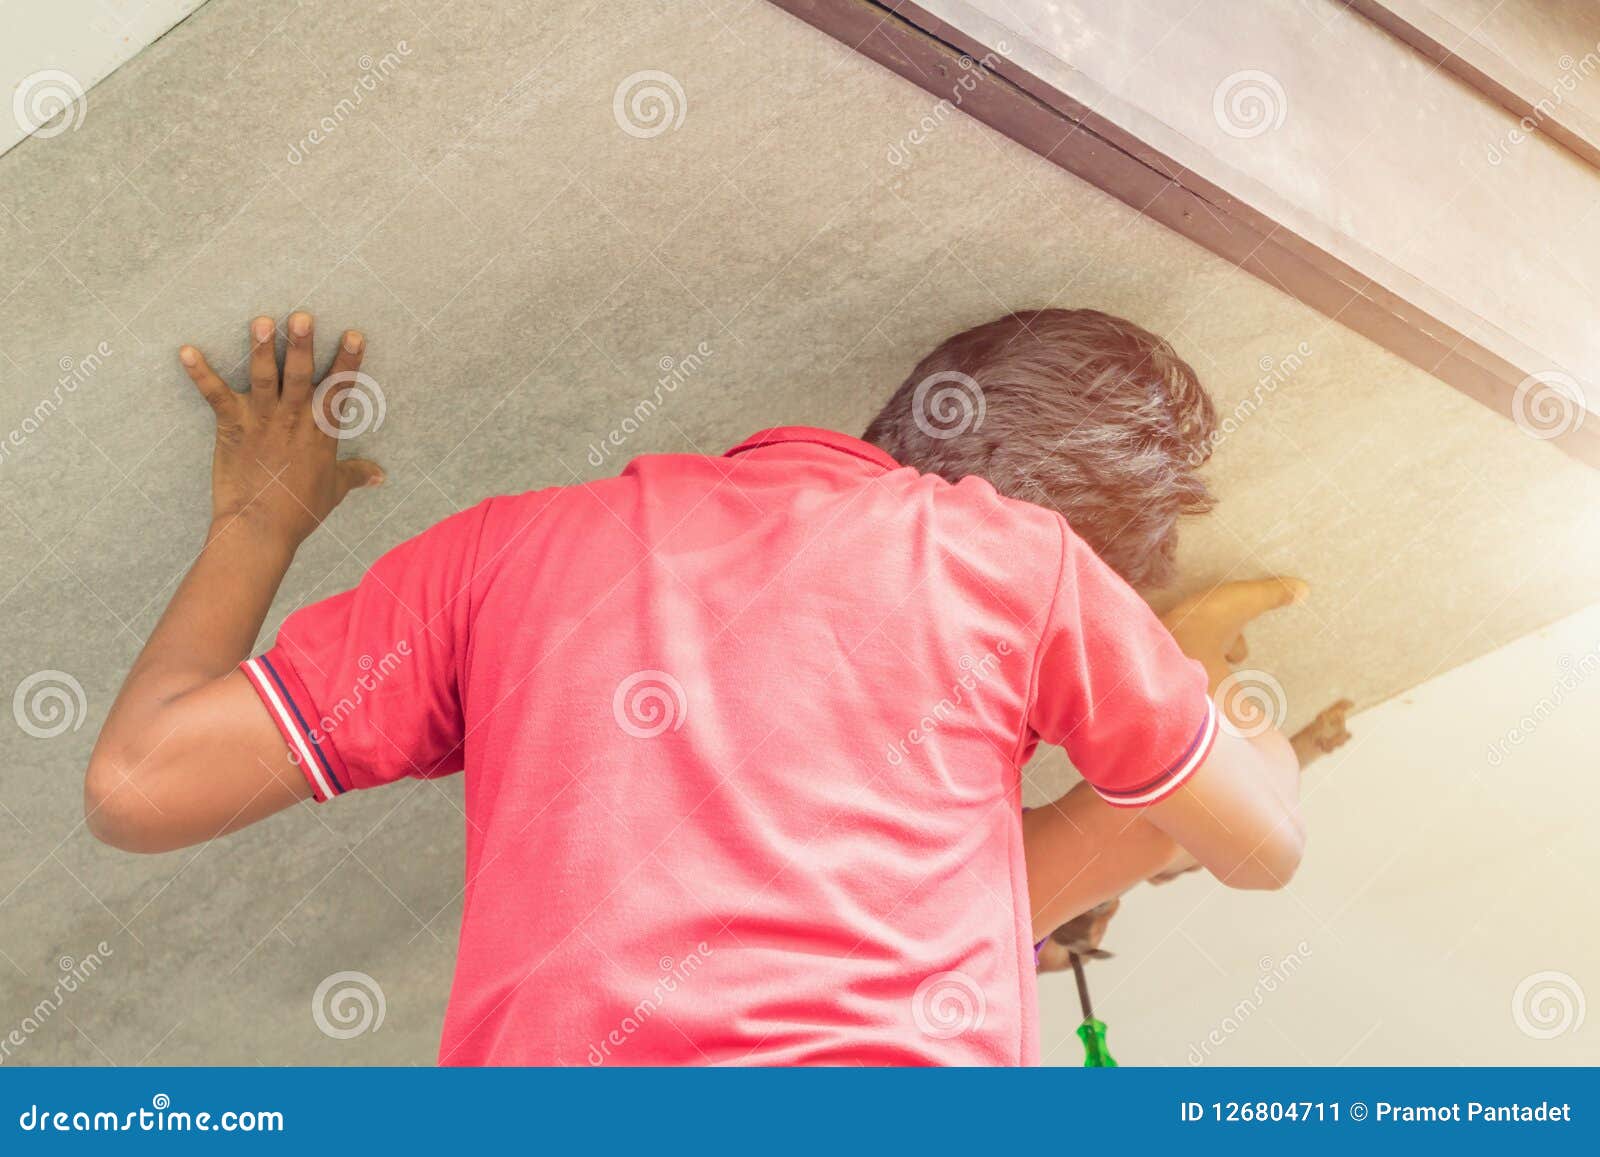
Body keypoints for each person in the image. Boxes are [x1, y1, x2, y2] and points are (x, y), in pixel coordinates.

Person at [84, 307, 1305, 1065]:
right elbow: (1256, 848)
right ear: (1060, 533)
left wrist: (258, 523)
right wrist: (1251, 745)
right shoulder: (1023, 562)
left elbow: (141, 784)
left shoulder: (512, 547)